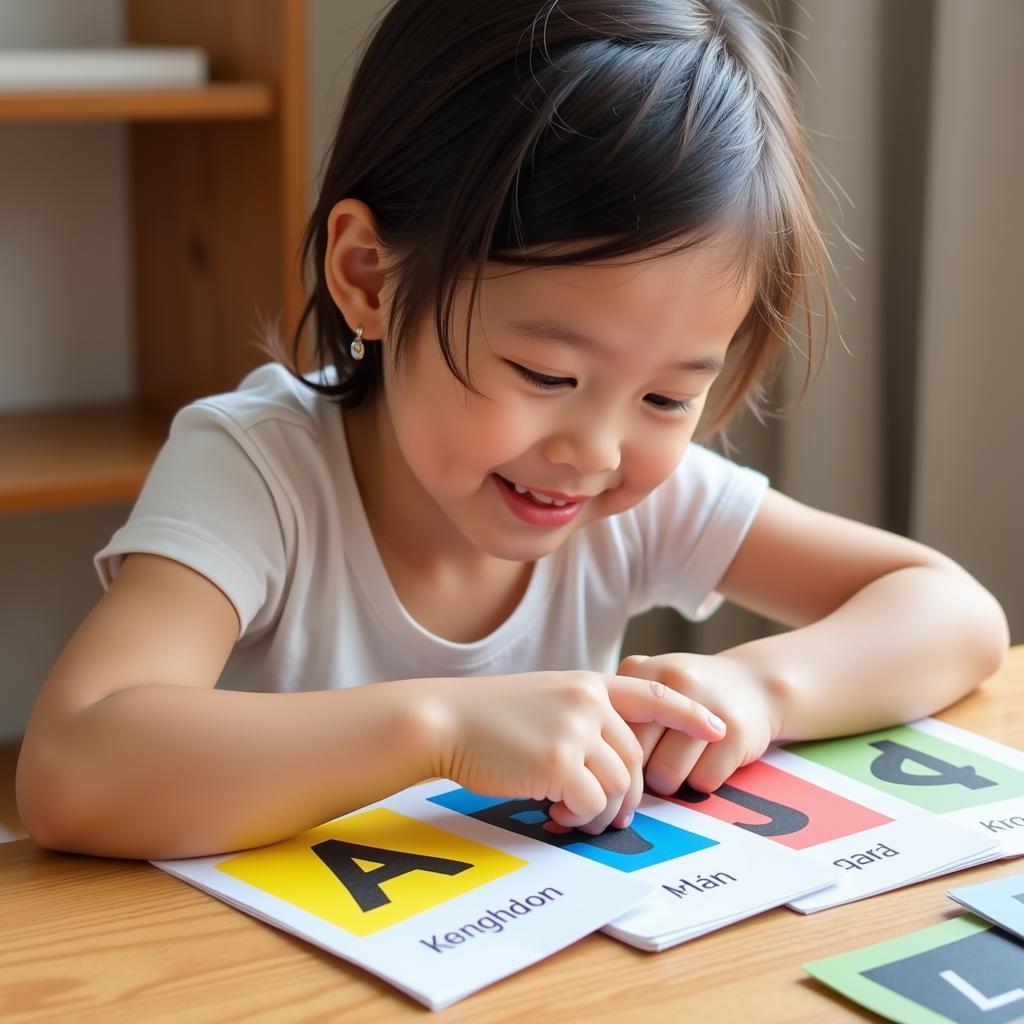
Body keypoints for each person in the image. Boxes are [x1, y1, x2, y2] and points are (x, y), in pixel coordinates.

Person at [17, 0, 1008, 861]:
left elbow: (950, 612)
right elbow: (73, 767)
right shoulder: (258, 470)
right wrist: (439, 727)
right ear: (368, 277)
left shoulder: (636, 496)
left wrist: (760, 688)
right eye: (544, 374)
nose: (596, 450)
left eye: (667, 397)